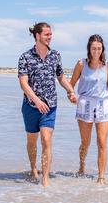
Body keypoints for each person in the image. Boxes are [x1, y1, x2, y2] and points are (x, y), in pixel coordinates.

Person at [18, 22, 77, 187]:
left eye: (51, 34)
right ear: (37, 36)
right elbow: (23, 83)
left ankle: (45, 180)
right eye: (46, 34)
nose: (50, 37)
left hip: (50, 105)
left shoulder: (55, 55)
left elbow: (61, 77)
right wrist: (36, 101)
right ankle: (33, 169)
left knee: (46, 139)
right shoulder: (25, 57)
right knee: (32, 141)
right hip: (30, 106)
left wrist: (70, 91)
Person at [69, 34, 108, 185]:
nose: (96, 51)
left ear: (102, 49)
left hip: (102, 105)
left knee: (102, 142)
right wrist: (71, 96)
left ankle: (101, 176)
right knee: (85, 142)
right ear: (89, 49)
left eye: (99, 48)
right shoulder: (81, 64)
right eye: (93, 48)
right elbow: (71, 84)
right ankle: (82, 165)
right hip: (85, 105)